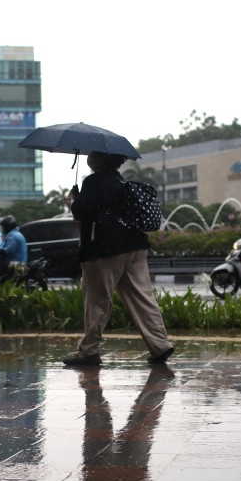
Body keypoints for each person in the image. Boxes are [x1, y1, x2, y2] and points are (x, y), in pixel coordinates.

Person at [63, 151, 174, 368]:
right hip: (135, 247)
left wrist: (75, 198)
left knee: (97, 301)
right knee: (143, 298)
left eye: (94, 155)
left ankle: (89, 352)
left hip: (104, 250)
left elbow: (81, 212)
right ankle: (160, 345)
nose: (90, 158)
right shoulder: (121, 182)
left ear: (100, 160)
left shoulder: (93, 182)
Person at [0, 215, 27, 282]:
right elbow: (5, 247)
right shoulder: (16, 234)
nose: (3, 229)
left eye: (3, 227)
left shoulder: (12, 236)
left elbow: (8, 251)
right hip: (18, 262)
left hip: (14, 263)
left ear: (7, 227)